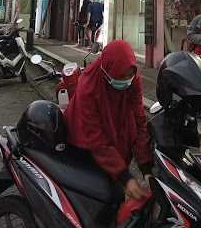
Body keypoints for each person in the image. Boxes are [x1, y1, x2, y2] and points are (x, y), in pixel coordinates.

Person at [64, 40, 152, 200]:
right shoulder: (88, 86)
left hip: (117, 131)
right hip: (86, 142)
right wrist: (125, 177)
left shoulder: (133, 79)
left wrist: (146, 168)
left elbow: (139, 120)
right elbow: (94, 138)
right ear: (107, 72)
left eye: (129, 75)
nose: (126, 80)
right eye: (121, 76)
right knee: (96, 193)